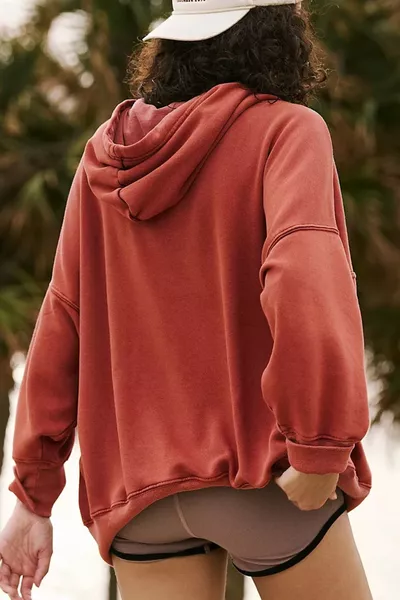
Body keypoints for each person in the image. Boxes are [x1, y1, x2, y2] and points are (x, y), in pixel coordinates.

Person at [0, 0, 374, 599]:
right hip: (264, 481)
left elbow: (64, 320)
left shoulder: (105, 155)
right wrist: (319, 448)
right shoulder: (289, 130)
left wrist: (33, 497)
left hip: (141, 503)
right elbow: (303, 281)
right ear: (278, 31)